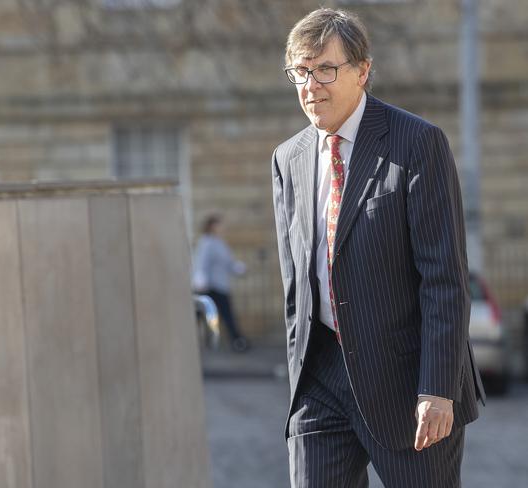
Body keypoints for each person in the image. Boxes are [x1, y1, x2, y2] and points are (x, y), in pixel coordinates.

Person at [271, 8, 486, 487]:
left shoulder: (417, 144)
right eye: (300, 72)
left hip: (407, 383)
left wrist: (437, 387)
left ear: (362, 71)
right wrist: (298, 383)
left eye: (325, 69)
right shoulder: (289, 158)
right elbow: (295, 288)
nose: (311, 85)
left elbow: (444, 279)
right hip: (320, 381)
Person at [192, 213, 250, 352]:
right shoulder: (207, 242)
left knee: (222, 314)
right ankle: (236, 340)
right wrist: (200, 277)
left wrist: (238, 268)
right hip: (209, 286)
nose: (222, 227)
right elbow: (202, 262)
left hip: (220, 285)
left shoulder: (219, 243)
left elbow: (227, 262)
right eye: (219, 224)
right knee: (202, 315)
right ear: (212, 226)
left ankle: (237, 340)